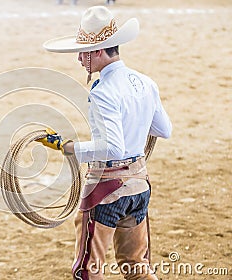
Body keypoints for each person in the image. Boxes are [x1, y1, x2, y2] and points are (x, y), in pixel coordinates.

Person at [37, 6, 172, 280]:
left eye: (82, 52)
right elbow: (163, 129)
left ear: (98, 51)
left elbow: (112, 149)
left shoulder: (103, 92)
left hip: (107, 188)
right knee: (136, 266)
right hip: (139, 185)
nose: (78, 58)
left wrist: (70, 147)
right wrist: (134, 123)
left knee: (88, 270)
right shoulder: (145, 82)